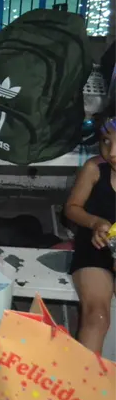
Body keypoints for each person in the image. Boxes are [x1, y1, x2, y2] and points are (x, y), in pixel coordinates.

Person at [65, 114, 116, 353]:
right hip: (95, 247)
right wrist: (95, 222)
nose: (112, 151)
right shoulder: (94, 169)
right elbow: (72, 209)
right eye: (106, 141)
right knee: (97, 316)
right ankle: (82, 385)